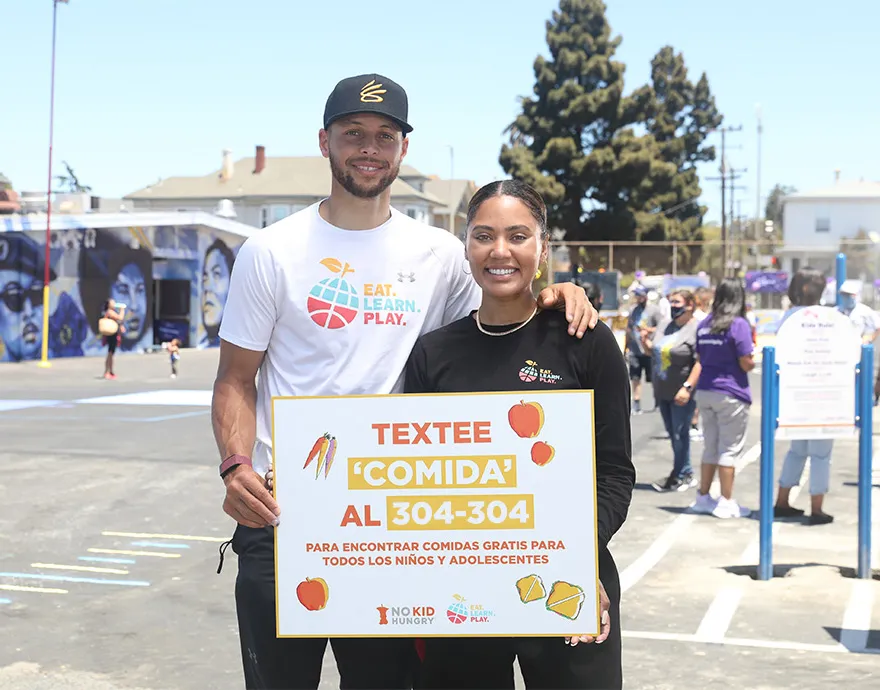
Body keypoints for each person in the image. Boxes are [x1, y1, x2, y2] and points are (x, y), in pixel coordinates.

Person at [211, 73, 599, 690]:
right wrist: (236, 467)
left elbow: (494, 329)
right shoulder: (270, 250)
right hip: (284, 514)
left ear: (402, 149)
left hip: (389, 525)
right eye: (353, 134)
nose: (369, 147)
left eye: (384, 136)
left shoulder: (440, 254)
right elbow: (235, 380)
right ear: (325, 141)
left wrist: (558, 292)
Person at [403, 179, 633, 690]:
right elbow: (417, 484)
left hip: (566, 584)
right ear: (466, 248)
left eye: (518, 236)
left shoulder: (584, 341)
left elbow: (614, 472)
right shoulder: (433, 354)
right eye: (483, 235)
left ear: (543, 249)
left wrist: (573, 559)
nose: (500, 251)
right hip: (463, 592)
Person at [774, 268, 837, 525]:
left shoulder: (788, 316)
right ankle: (817, 506)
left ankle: (782, 500)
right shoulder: (828, 317)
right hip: (822, 393)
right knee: (821, 453)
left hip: (794, 394)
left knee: (797, 449)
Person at [689, 278, 754, 519]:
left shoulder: (705, 324)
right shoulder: (738, 325)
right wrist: (754, 361)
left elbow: (700, 356)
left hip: (706, 390)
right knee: (729, 449)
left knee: (711, 447)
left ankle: (703, 497)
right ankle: (727, 501)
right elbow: (746, 362)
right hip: (731, 392)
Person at [644, 289, 701, 493]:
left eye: (677, 302)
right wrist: (645, 343)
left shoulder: (696, 329)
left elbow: (699, 363)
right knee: (673, 434)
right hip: (663, 391)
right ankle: (681, 471)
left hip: (682, 392)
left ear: (690, 304)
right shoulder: (665, 325)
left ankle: (683, 474)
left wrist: (687, 387)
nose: (674, 306)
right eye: (671, 302)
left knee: (680, 434)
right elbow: (655, 350)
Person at [625, 286, 662, 415]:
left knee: (652, 377)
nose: (639, 298)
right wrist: (626, 347)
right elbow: (629, 329)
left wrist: (648, 330)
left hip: (649, 349)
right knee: (635, 377)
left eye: (641, 296)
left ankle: (657, 401)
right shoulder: (633, 310)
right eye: (637, 296)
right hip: (635, 350)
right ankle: (636, 402)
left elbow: (661, 327)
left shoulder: (654, 310)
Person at [837, 279, 880, 344]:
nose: (846, 297)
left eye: (849, 295)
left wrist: (868, 338)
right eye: (843, 294)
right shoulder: (836, 311)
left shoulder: (864, 311)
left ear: (855, 295)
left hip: (858, 349)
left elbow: (878, 326)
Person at [99, 299, 125, 379]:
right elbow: (120, 318)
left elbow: (118, 321)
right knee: (110, 353)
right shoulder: (110, 312)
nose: (114, 304)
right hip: (111, 334)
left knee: (111, 353)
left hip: (113, 333)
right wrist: (122, 310)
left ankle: (110, 371)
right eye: (112, 302)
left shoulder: (111, 312)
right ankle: (107, 371)